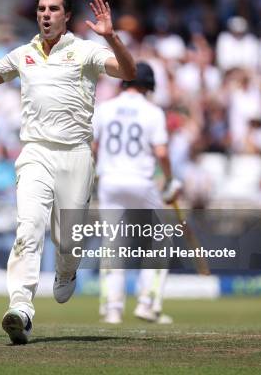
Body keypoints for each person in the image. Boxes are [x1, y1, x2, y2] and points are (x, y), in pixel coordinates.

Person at [0, 0, 136, 344]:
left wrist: (112, 37)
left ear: (67, 15)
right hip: (35, 152)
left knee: (68, 241)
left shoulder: (85, 50)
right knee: (28, 229)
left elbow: (128, 72)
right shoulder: (24, 53)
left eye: (53, 9)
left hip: (76, 155)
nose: (46, 15)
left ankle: (67, 271)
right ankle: (20, 308)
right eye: (41, 10)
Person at [93, 62, 181, 325]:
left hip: (109, 181)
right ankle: (147, 304)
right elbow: (162, 153)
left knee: (112, 245)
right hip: (142, 182)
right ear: (149, 86)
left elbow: (92, 145)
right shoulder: (153, 112)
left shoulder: (104, 108)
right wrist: (170, 180)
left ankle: (112, 309)